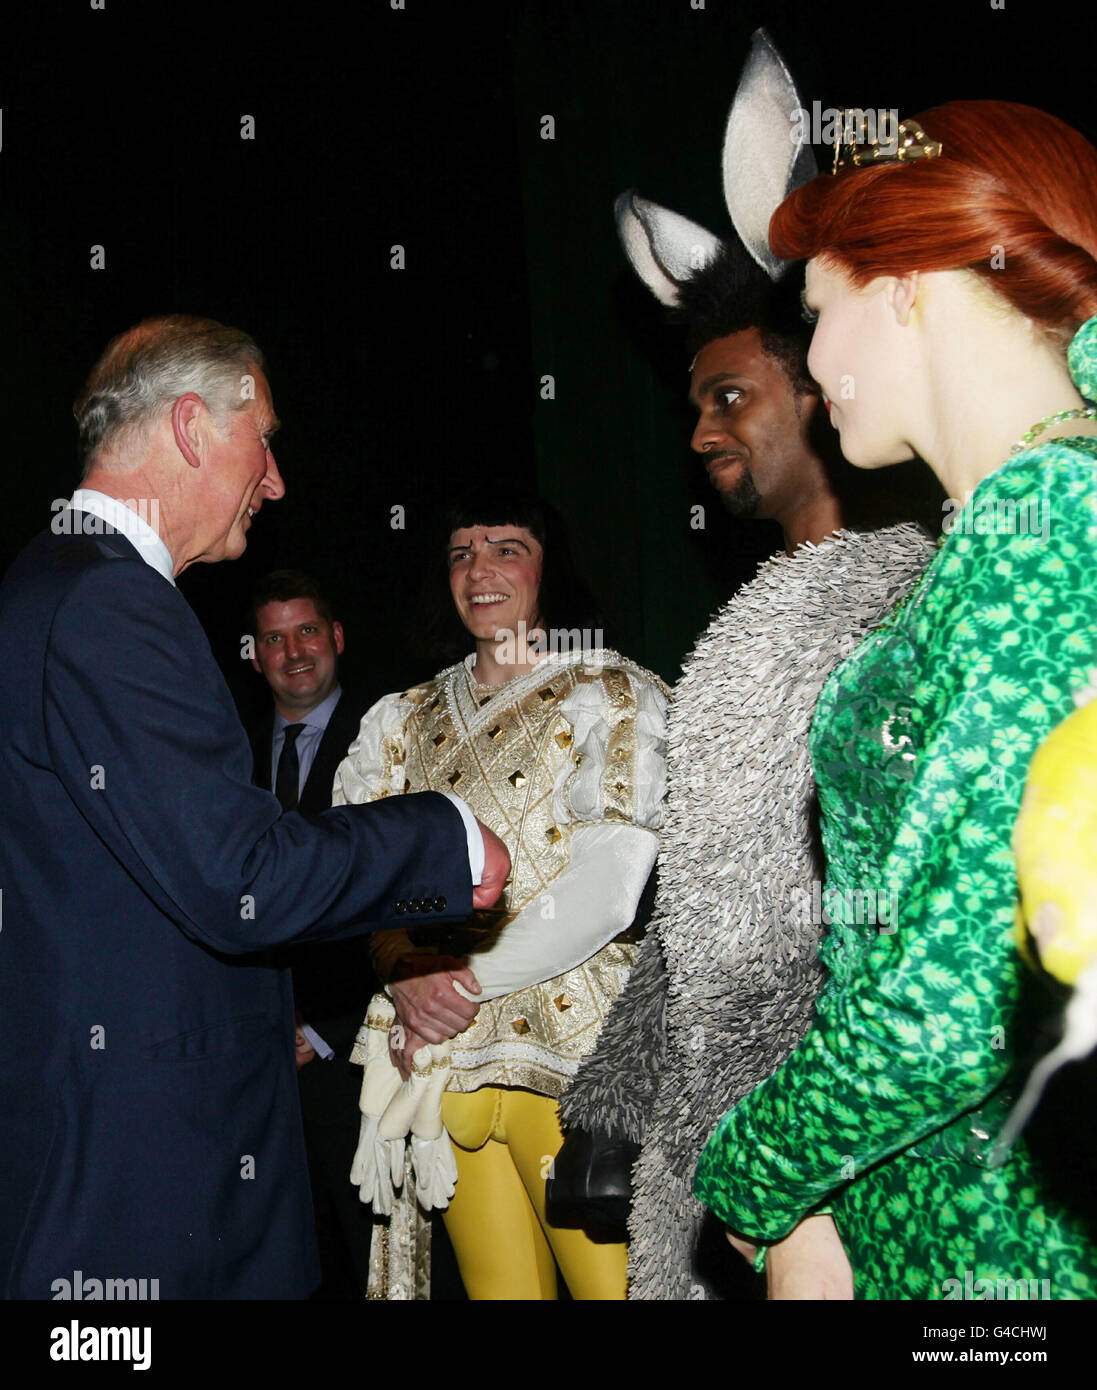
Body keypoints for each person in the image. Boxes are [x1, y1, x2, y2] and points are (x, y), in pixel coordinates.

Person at [0, 315, 507, 1300]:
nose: (274, 481)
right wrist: (437, 835)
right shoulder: (107, 602)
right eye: (262, 440)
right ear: (191, 427)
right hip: (152, 1182)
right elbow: (241, 878)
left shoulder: (41, 583)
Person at [694, 100, 1097, 1299]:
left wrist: (753, 1180)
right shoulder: (1014, 530)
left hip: (995, 1257)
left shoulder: (1048, 531)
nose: (810, 374)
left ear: (911, 280)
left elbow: (956, 992)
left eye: (814, 316)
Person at [557, 31, 935, 1300]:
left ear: (821, 380)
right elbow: (702, 915)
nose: (698, 429)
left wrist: (784, 1164)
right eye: (689, 406)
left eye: (727, 396)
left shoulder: (916, 594)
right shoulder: (750, 622)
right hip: (723, 1181)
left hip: (845, 1187)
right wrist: (614, 1095)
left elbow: (909, 938)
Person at [333, 487, 669, 1299]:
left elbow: (611, 886)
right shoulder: (400, 718)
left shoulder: (612, 693)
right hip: (440, 1065)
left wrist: (458, 986)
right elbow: (347, 875)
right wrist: (402, 969)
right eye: (460, 551)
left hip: (579, 1066)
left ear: (549, 567)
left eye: (505, 547)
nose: (479, 569)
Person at [248, 568, 378, 1299]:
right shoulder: (222, 757)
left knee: (368, 1259)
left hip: (355, 1059)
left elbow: (408, 903)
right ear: (255, 654)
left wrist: (327, 1029)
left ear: (335, 638)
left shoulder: (389, 734)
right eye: (273, 637)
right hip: (251, 1066)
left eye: (306, 631)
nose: (293, 652)